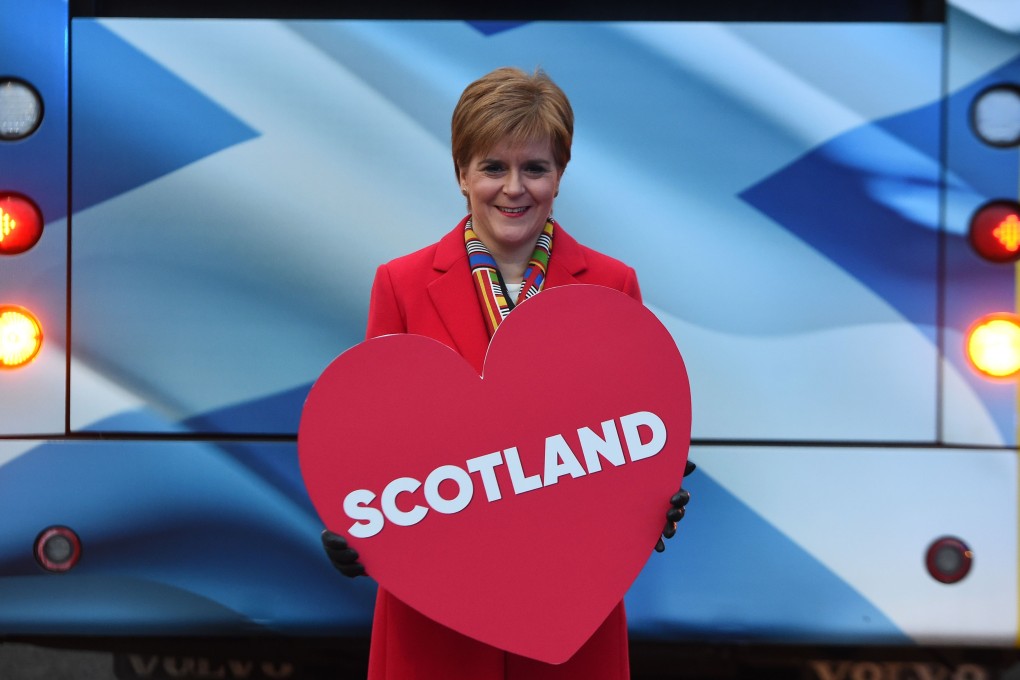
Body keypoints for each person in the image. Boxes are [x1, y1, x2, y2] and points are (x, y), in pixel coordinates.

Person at [322, 66, 691, 680]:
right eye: (493, 167)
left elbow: (630, 428)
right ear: (461, 173)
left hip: (568, 609)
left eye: (535, 168)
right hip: (438, 614)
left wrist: (651, 498)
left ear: (560, 176)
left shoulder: (611, 285)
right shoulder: (402, 285)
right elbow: (375, 443)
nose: (513, 189)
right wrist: (359, 526)